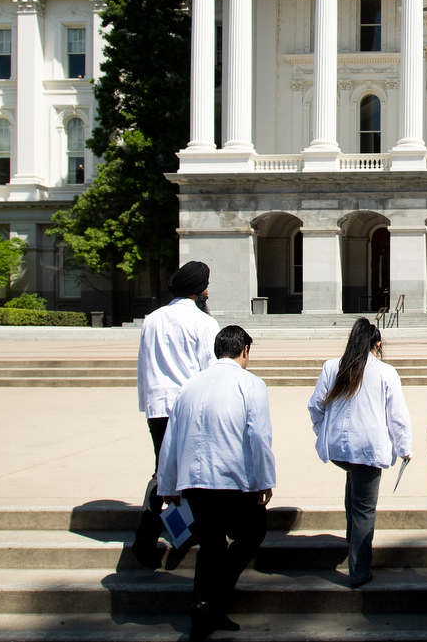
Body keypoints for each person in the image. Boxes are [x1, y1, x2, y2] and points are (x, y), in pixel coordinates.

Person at [157, 325, 275, 641]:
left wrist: (167, 486)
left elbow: (171, 438)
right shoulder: (251, 384)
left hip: (194, 481)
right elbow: (259, 436)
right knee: (253, 532)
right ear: (245, 350)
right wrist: (265, 480)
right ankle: (209, 600)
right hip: (232, 478)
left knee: (211, 544)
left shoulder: (190, 385)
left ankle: (202, 613)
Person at [307, 318, 413, 588]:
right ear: (376, 344)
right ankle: (359, 570)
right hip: (367, 447)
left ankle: (350, 540)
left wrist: (324, 432)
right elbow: (397, 417)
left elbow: (315, 406)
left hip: (340, 449)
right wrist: (404, 448)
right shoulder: (385, 372)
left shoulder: (333, 367)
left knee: (354, 491)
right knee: (365, 508)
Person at [132, 261, 219, 567]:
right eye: (206, 285)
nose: (208, 290)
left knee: (162, 470)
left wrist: (148, 404)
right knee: (193, 472)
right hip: (189, 407)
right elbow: (212, 371)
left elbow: (144, 365)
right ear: (199, 290)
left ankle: (148, 538)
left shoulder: (152, 319)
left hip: (158, 407)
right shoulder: (204, 323)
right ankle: (187, 529)